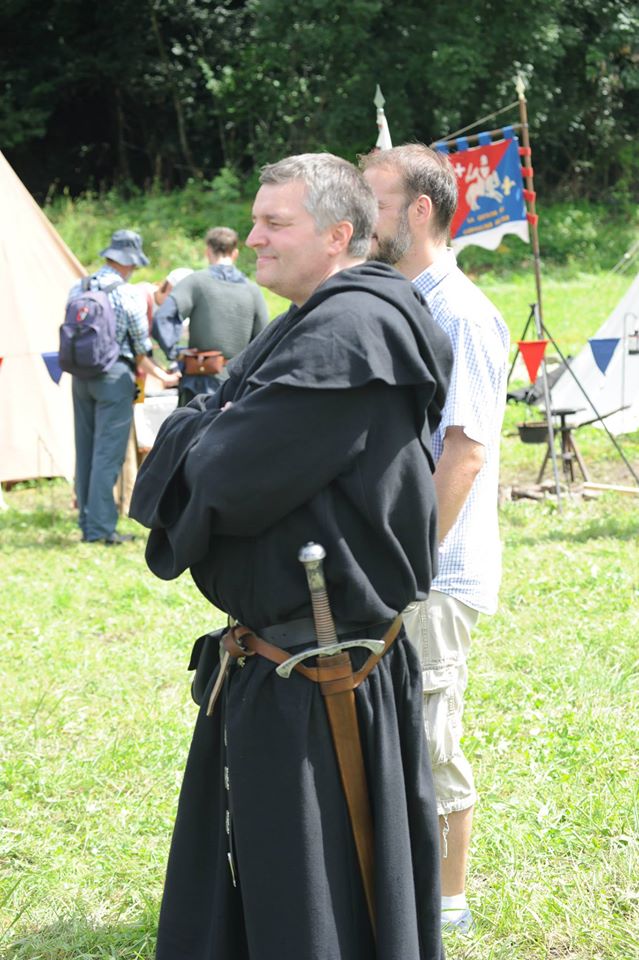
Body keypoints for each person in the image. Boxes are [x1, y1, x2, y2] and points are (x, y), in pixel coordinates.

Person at [129, 153, 453, 960]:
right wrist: (210, 422)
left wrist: (203, 426)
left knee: (315, 898)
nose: (253, 239)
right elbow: (213, 426)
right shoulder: (313, 320)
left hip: (321, 678)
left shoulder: (350, 330)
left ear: (337, 234)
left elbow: (219, 474)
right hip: (296, 663)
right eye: (253, 221)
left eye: (275, 223)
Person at [361, 143, 510, 934]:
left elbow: (465, 453)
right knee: (393, 730)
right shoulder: (401, 303)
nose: (359, 217)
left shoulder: (460, 314)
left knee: (428, 733)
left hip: (434, 570)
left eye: (374, 203)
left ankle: (446, 904)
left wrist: (409, 562)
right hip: (398, 565)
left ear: (419, 211)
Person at [70, 229, 180, 545]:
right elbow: (141, 348)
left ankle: (86, 522)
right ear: (129, 263)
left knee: (85, 450)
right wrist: (162, 374)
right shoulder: (127, 294)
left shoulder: (79, 286)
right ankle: (100, 529)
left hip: (81, 375)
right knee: (108, 454)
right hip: (114, 376)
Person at [153, 226, 269, 405]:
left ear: (207, 251)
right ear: (235, 253)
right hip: (237, 386)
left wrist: (175, 352)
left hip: (198, 385)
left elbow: (163, 317)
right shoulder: (253, 291)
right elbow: (264, 340)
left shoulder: (195, 282)